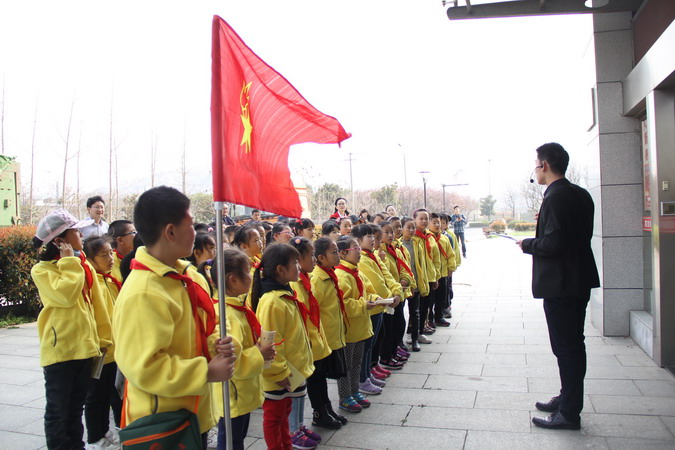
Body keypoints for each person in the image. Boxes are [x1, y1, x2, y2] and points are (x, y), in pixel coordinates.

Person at [112, 186, 236, 449]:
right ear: (170, 231)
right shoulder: (144, 292)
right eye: (190, 224)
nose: (197, 232)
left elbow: (204, 325)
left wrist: (218, 345)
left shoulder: (187, 275)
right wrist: (205, 370)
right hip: (164, 424)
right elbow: (145, 367)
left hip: (192, 413)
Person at [517, 143, 600, 431]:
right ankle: (567, 398)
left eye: (536, 164)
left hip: (561, 284)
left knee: (566, 348)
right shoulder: (580, 194)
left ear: (544, 165)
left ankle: (568, 412)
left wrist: (527, 243)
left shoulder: (554, 196)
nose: (536, 170)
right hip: (579, 280)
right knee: (574, 345)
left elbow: (554, 244)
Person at [30, 209, 112, 450]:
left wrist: (104, 339)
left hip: (85, 348)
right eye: (75, 231)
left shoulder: (80, 264)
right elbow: (65, 296)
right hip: (61, 352)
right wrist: (68, 261)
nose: (81, 234)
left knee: (76, 408)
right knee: (58, 410)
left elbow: (95, 304)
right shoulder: (43, 270)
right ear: (59, 240)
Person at [202, 248, 275, 450]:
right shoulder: (226, 314)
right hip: (233, 395)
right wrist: (259, 353)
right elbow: (234, 359)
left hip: (242, 393)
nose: (252, 275)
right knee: (230, 443)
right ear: (233, 280)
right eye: (248, 271)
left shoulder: (236, 307)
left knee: (237, 439)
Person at [250, 243, 315, 450]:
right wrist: (279, 372)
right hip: (280, 376)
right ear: (280, 269)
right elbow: (270, 343)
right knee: (274, 417)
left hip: (290, 372)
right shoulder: (272, 301)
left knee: (284, 414)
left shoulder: (284, 295)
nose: (299, 266)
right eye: (294, 263)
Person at [288, 237, 331, 443]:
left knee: (314, 381)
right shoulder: (295, 286)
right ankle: (297, 427)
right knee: (304, 386)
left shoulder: (306, 279)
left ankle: (306, 421)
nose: (314, 259)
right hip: (305, 345)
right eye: (311, 256)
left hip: (315, 341)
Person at [83, 236, 123, 448]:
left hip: (115, 348)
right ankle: (94, 437)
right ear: (90, 259)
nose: (110, 258)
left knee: (108, 393)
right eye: (103, 255)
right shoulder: (91, 283)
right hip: (100, 349)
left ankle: (105, 431)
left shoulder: (110, 280)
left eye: (111, 253)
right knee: (95, 396)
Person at [335, 236, 378, 414]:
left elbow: (369, 291)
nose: (359, 252)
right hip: (348, 329)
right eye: (355, 249)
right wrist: (364, 305)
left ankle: (354, 391)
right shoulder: (341, 275)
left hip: (360, 326)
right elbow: (344, 303)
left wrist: (376, 299)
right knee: (346, 365)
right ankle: (344, 397)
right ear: (343, 253)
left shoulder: (356, 272)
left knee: (357, 361)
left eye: (359, 248)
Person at [310, 238, 350, 427]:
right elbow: (313, 312)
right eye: (333, 252)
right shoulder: (318, 279)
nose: (337, 254)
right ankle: (319, 413)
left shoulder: (329, 274)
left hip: (332, 336)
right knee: (317, 377)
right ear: (321, 258)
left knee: (323, 377)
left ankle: (327, 408)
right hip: (321, 338)